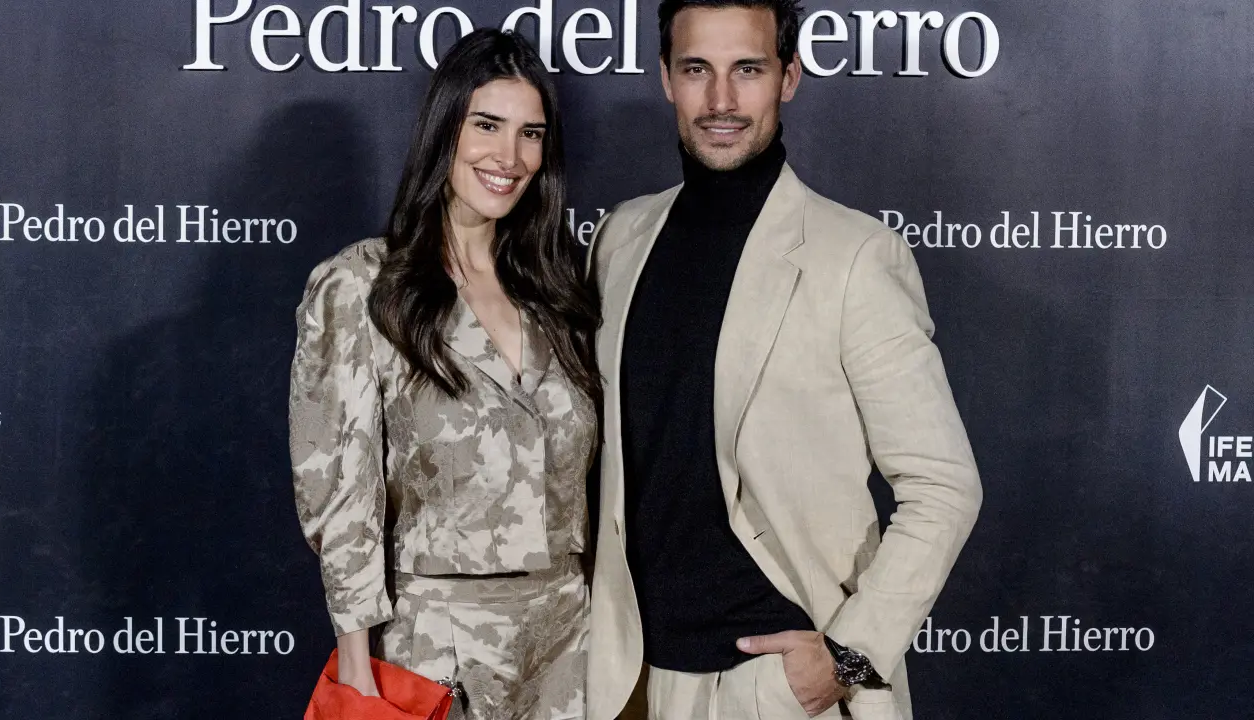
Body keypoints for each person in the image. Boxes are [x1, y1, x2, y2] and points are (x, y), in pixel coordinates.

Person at [584, 0, 983, 718]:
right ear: (666, 79)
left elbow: (944, 484)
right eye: (697, 70)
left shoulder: (855, 257)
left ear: (789, 77)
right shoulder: (619, 239)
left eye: (748, 70)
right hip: (632, 681)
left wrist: (848, 656)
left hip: (779, 690)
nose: (721, 100)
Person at [289, 29, 600, 720]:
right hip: (434, 647)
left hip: (568, 648)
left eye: (530, 134)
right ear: (444, 130)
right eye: (486, 125)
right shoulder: (363, 285)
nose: (509, 157)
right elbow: (340, 494)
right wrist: (357, 670)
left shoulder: (557, 289)